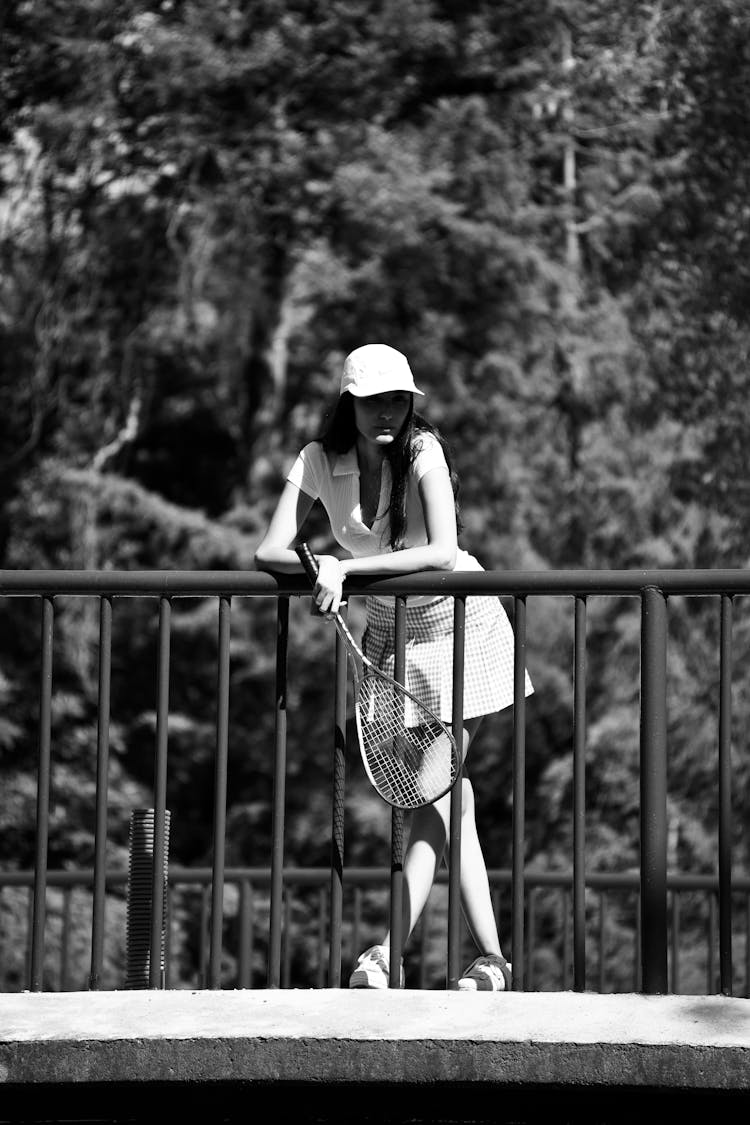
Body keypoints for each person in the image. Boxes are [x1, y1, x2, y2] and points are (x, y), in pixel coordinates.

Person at [254, 343, 533, 990]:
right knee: (447, 795)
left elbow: (441, 551)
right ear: (347, 403)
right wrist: (314, 566)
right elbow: (271, 546)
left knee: (435, 786)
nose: (387, 411)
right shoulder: (319, 461)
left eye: (398, 399)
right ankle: (489, 960)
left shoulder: (423, 450)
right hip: (393, 637)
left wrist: (345, 568)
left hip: (458, 623)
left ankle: (388, 949)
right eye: (373, 399)